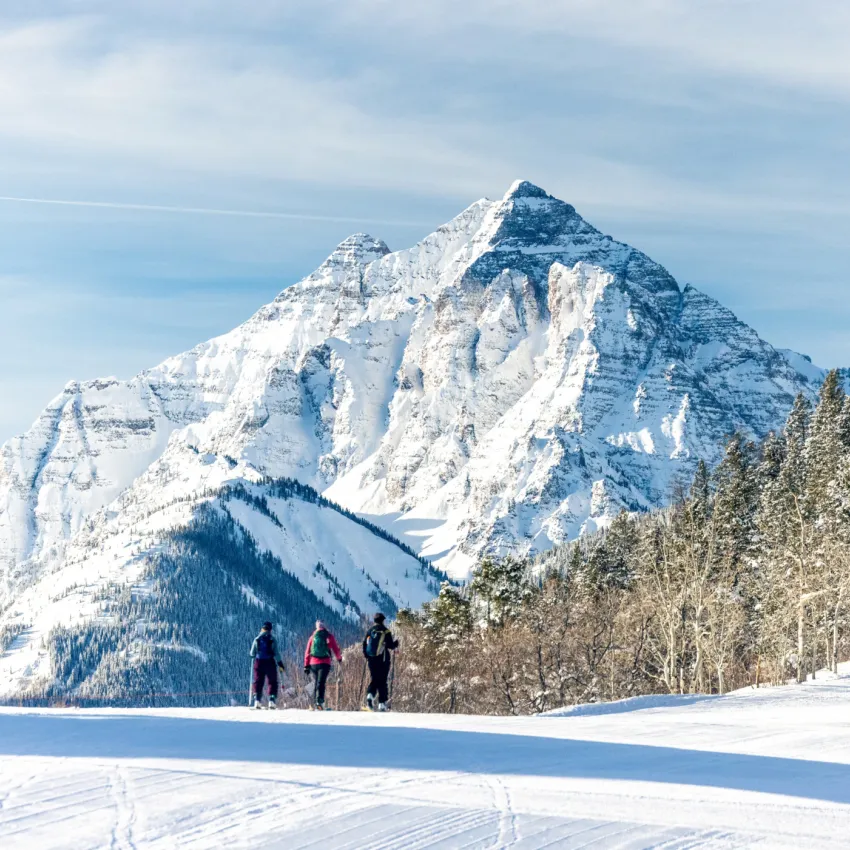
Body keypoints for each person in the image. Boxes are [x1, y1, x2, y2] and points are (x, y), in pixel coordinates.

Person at [362, 612, 398, 711]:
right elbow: (390, 645)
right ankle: (382, 704)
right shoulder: (386, 631)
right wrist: (396, 644)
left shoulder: (370, 631)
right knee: (382, 681)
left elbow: (365, 644)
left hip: (371, 659)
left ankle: (370, 695)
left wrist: (366, 655)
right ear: (383, 620)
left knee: (374, 679)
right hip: (383, 659)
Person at [303, 620, 342, 709]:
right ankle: (320, 702)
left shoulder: (312, 637)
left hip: (313, 663)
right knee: (321, 682)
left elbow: (307, 651)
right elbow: (336, 649)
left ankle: (316, 703)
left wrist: (306, 665)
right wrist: (339, 659)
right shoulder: (329, 636)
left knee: (317, 682)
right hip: (325, 663)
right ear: (324, 626)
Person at [249, 621, 285, 709]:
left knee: (258, 681)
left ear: (262, 628)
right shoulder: (272, 639)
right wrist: (280, 663)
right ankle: (272, 701)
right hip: (270, 662)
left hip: (259, 662)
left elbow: (252, 653)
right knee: (272, 681)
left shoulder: (257, 639)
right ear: (270, 629)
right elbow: (276, 653)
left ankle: (257, 700)